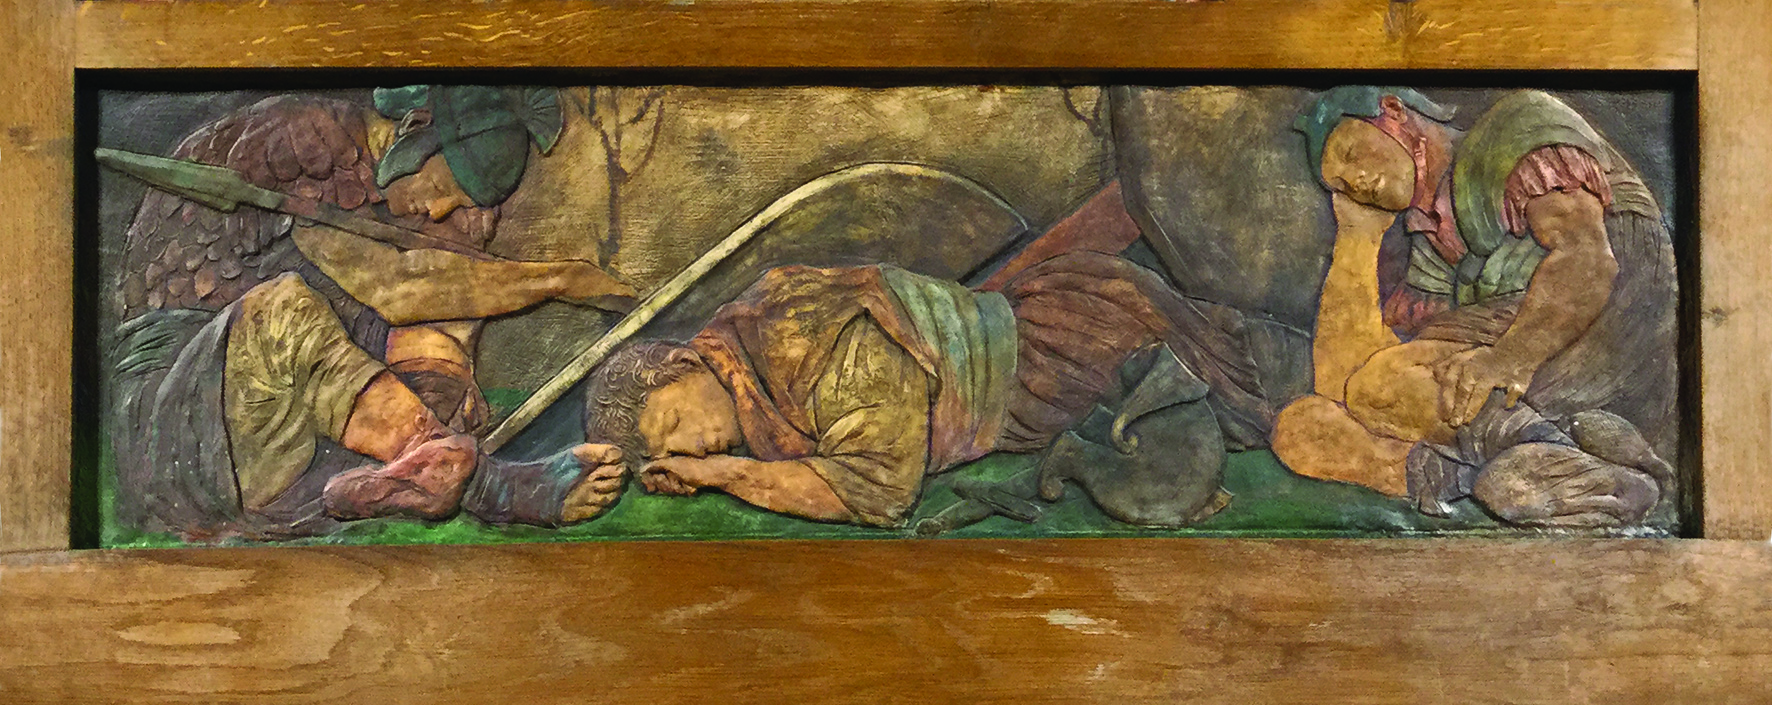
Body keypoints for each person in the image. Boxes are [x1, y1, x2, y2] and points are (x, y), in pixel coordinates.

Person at [111, 85, 635, 540]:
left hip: (275, 450)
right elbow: (396, 290)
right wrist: (560, 280)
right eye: (438, 188)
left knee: (447, 297)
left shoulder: (383, 190)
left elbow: (434, 289)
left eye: (455, 203)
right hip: (183, 428)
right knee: (285, 309)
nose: (437, 210)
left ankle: (374, 483)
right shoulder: (310, 144)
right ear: (414, 135)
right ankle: (491, 487)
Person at [579, 240, 1271, 528]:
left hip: (1077, 354)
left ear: (682, 365)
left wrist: (727, 474)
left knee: (1261, 398)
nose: (688, 449)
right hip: (1049, 372)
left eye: (671, 425)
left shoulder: (801, 343)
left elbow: (881, 489)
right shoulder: (755, 372)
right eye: (672, 454)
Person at [1270, 87, 1676, 527]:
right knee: (1303, 429)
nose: (1357, 181)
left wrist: (1508, 359)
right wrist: (1357, 235)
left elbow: (1588, 259)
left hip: (1608, 323)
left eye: (1351, 154)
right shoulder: (1432, 237)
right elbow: (1340, 382)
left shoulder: (1514, 129)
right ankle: (1510, 474)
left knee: (1380, 384)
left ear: (1392, 111)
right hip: (1524, 363)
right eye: (1341, 186)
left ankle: (1559, 454)